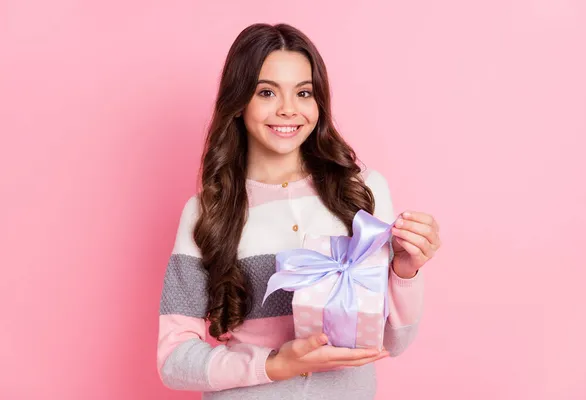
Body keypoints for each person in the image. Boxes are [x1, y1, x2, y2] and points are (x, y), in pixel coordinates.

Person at [157, 23, 441, 400]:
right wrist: (275, 365)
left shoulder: (363, 194)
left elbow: (393, 340)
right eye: (267, 92)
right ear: (240, 102)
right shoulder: (205, 213)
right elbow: (174, 360)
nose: (288, 109)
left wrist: (405, 271)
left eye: (303, 92)